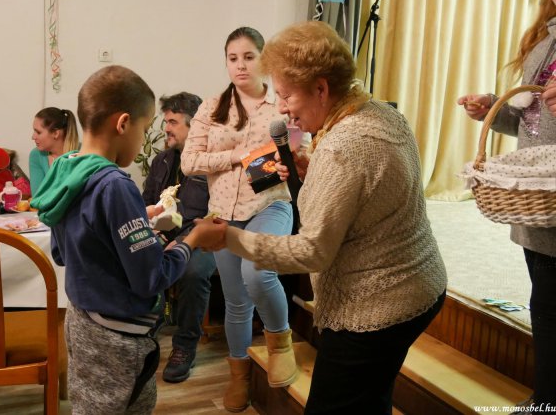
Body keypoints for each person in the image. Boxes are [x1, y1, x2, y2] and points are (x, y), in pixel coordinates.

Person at [198, 21, 448, 414]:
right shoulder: (379, 113)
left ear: (320, 88)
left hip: (379, 304)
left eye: (286, 95)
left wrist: (228, 238)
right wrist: (314, 169)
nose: (281, 108)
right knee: (371, 400)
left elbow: (311, 251)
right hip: (421, 284)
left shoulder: (343, 147)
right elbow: (367, 194)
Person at [30, 65, 221, 414]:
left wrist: (135, 218)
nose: (145, 138)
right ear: (123, 124)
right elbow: (152, 277)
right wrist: (193, 238)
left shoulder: (65, 169)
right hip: (119, 338)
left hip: (83, 322)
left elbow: (64, 252)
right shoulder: (115, 186)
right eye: (144, 129)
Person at [181, 27, 299, 412]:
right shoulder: (212, 107)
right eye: (233, 58)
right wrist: (237, 157)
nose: (241, 65)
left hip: (270, 204)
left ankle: (280, 344)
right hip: (223, 216)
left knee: (258, 274)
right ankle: (240, 376)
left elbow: (300, 151)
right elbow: (189, 162)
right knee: (235, 301)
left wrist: (284, 161)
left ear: (263, 59)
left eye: (249, 57)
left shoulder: (281, 105)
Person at [458, 0, 556, 409]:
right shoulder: (543, 38)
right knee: (545, 301)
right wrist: (491, 111)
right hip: (539, 193)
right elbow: (529, 120)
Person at [141, 92, 217, 383]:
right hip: (164, 234)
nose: (166, 128)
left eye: (172, 122)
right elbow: (146, 201)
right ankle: (144, 331)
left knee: (192, 271)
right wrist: (147, 227)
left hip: (205, 237)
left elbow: (217, 212)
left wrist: (185, 239)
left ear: (193, 125)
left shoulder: (211, 162)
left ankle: (184, 347)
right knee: (134, 254)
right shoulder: (162, 160)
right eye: (166, 121)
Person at [29, 107, 79, 195]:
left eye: (38, 132)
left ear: (55, 133)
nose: (33, 137)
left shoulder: (83, 153)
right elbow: (37, 196)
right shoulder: (36, 155)